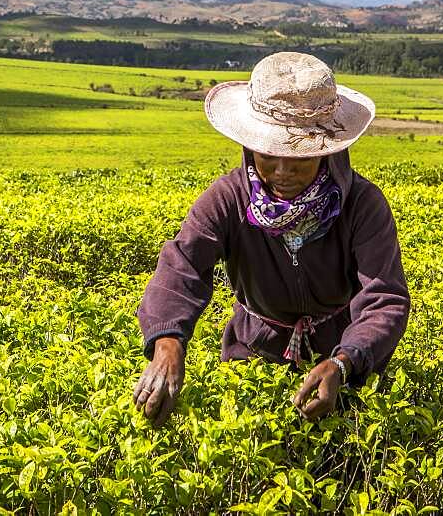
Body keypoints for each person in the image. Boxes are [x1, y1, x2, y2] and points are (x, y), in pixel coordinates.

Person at [133, 52, 409, 426]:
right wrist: (167, 343)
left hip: (343, 365)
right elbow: (182, 267)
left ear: (327, 153)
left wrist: (345, 362)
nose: (282, 172)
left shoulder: (362, 205)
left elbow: (384, 298)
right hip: (253, 355)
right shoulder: (228, 198)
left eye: (299, 159)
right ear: (250, 147)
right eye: (268, 156)